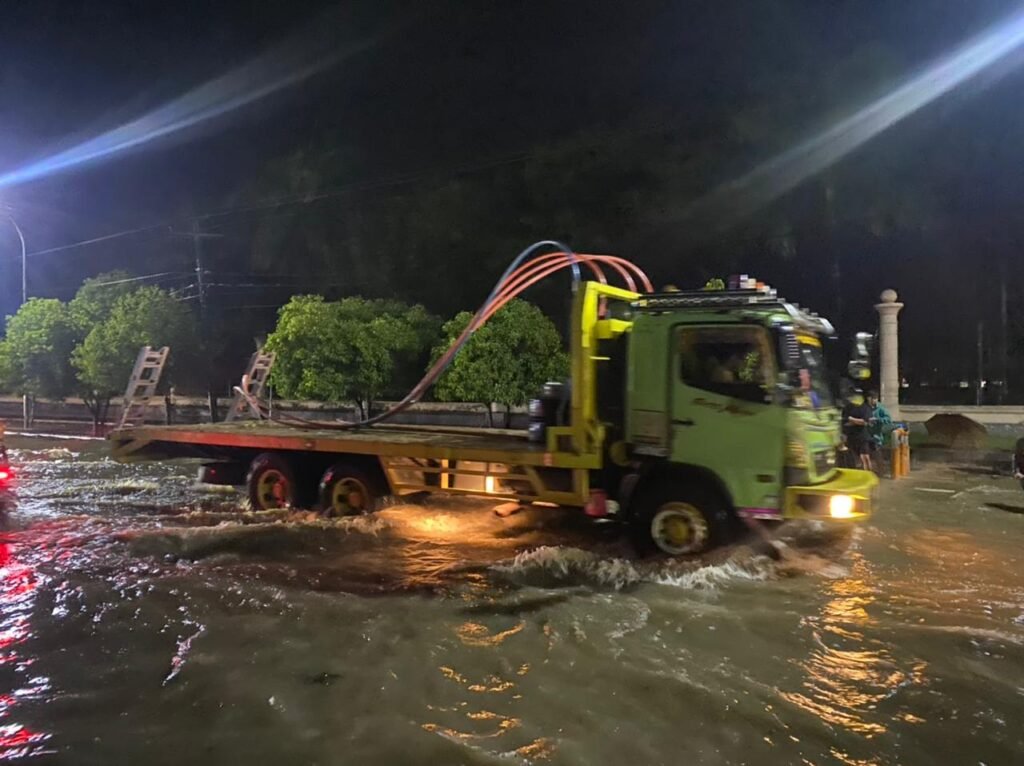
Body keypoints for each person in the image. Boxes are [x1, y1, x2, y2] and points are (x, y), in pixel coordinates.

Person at [842, 395, 874, 471]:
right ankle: (862, 473)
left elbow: (865, 422)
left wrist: (851, 419)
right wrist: (857, 421)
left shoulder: (865, 408)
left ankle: (869, 473)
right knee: (857, 459)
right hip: (851, 437)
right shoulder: (847, 408)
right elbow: (845, 422)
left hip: (863, 436)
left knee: (865, 457)